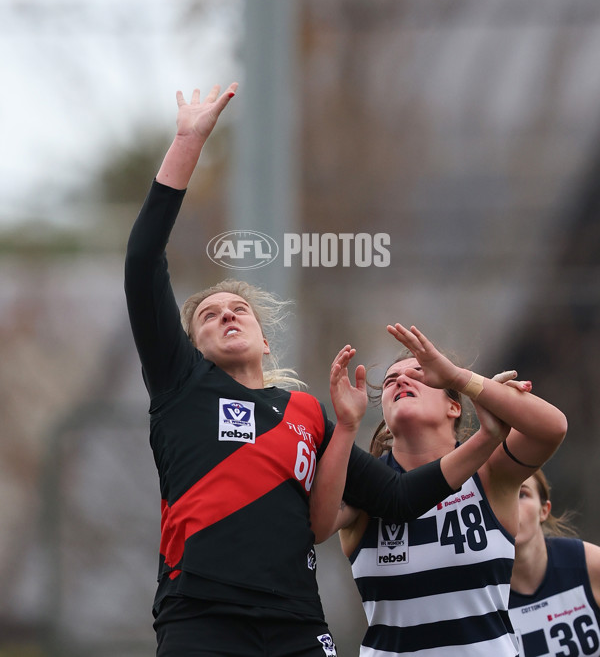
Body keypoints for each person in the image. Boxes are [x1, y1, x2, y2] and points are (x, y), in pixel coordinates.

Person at [124, 84, 513, 657]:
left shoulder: (305, 413)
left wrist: (487, 438)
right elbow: (140, 264)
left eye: (239, 310)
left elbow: (400, 498)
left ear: (262, 337)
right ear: (193, 346)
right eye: (209, 315)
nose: (227, 314)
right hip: (201, 616)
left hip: (297, 623)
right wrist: (188, 142)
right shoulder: (182, 384)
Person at [329, 323, 568, 657]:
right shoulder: (365, 485)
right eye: (389, 381)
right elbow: (313, 524)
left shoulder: (489, 472)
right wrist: (345, 426)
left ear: (454, 406)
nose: (400, 380)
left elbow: (552, 429)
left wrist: (460, 378)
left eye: (419, 373)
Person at [509, 469, 600, 657]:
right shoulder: (477, 593)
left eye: (521, 494)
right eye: (498, 496)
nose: (510, 505)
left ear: (544, 510)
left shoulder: (590, 564)